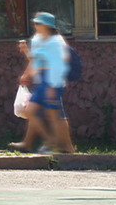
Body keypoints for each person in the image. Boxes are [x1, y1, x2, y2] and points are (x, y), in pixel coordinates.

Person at [10, 12, 74, 153]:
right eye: (35, 23)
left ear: (47, 26)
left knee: (55, 114)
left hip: (52, 80)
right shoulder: (37, 39)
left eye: (38, 23)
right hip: (42, 81)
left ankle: (60, 145)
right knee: (33, 112)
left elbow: (59, 64)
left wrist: (53, 84)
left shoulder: (56, 42)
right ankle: (50, 141)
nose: (35, 25)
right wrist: (27, 72)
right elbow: (35, 60)